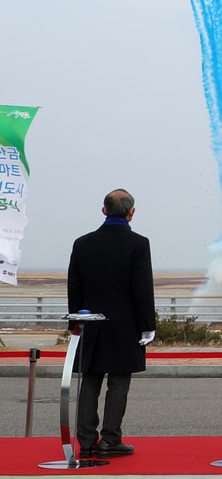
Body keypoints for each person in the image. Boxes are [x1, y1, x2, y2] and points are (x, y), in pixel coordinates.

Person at [66, 189, 157, 458]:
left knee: (89, 380)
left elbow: (74, 285)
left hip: (90, 323)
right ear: (132, 212)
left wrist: (75, 321)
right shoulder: (139, 244)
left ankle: (85, 442)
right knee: (118, 383)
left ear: (104, 210)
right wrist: (148, 325)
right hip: (124, 325)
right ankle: (110, 440)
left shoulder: (82, 243)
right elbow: (142, 289)